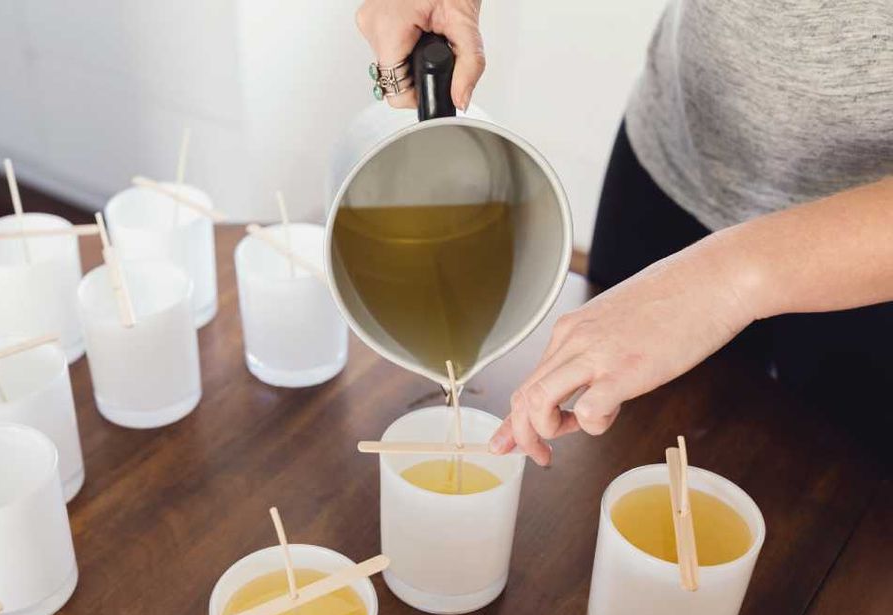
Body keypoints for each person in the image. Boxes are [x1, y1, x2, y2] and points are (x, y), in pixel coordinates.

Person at [357, 0, 893, 465]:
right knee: (622, 447)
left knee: (847, 502)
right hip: (679, 150)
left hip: (869, 256)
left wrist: (727, 282)